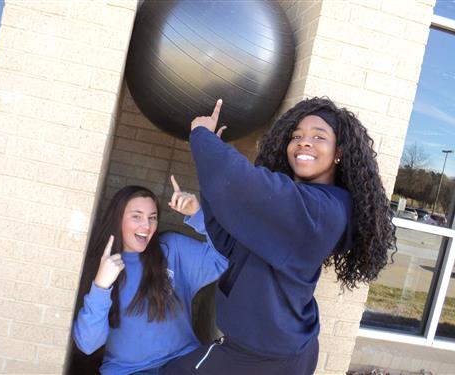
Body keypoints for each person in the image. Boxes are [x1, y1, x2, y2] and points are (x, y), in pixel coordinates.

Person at [160, 97, 396, 375]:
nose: (304, 142)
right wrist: (212, 170)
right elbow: (234, 241)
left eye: (318, 136)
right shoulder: (306, 203)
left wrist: (201, 135)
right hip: (274, 349)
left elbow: (239, 184)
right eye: (297, 136)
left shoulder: (324, 210)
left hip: (266, 357)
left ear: (338, 153)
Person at [72, 177, 228, 375]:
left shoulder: (172, 249)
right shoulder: (100, 265)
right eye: (136, 216)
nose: (146, 226)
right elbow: (87, 344)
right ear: (117, 219)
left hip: (183, 364)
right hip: (128, 371)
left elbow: (225, 260)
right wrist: (100, 287)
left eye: (152, 217)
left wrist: (198, 216)